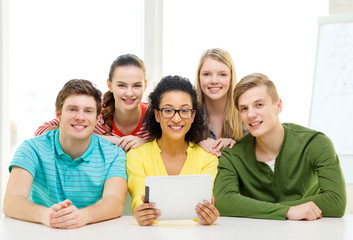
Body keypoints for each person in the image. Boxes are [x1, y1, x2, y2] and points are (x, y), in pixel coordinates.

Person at [214, 73, 347, 220]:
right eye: (244, 109)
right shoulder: (232, 155)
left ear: (278, 106)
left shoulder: (316, 143)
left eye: (259, 105)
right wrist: (287, 211)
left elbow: (336, 201)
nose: (251, 114)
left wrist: (270, 210)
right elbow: (223, 202)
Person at [3, 79, 128, 229]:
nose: (80, 117)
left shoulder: (114, 154)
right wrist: (47, 215)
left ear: (96, 118)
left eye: (88, 111)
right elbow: (12, 201)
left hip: (89, 232)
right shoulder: (31, 149)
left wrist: (81, 217)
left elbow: (115, 202)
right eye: (72, 109)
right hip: (40, 231)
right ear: (58, 114)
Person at [126, 75, 219, 226]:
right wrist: (141, 211)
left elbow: (205, 203)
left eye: (184, 111)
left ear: (193, 115)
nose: (176, 119)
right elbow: (139, 196)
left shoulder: (207, 159)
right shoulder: (136, 156)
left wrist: (207, 215)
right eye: (168, 110)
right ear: (157, 115)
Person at [34, 54, 150, 151]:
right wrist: (93, 139)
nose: (129, 93)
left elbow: (167, 149)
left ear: (145, 85)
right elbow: (41, 132)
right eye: (121, 85)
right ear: (109, 85)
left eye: (136, 86)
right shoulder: (93, 110)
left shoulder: (154, 116)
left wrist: (149, 145)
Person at [195, 48, 244, 157]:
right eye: (207, 74)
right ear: (199, 78)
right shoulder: (188, 114)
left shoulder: (244, 111)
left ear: (231, 78)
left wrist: (237, 146)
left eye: (222, 74)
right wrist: (196, 148)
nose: (214, 80)